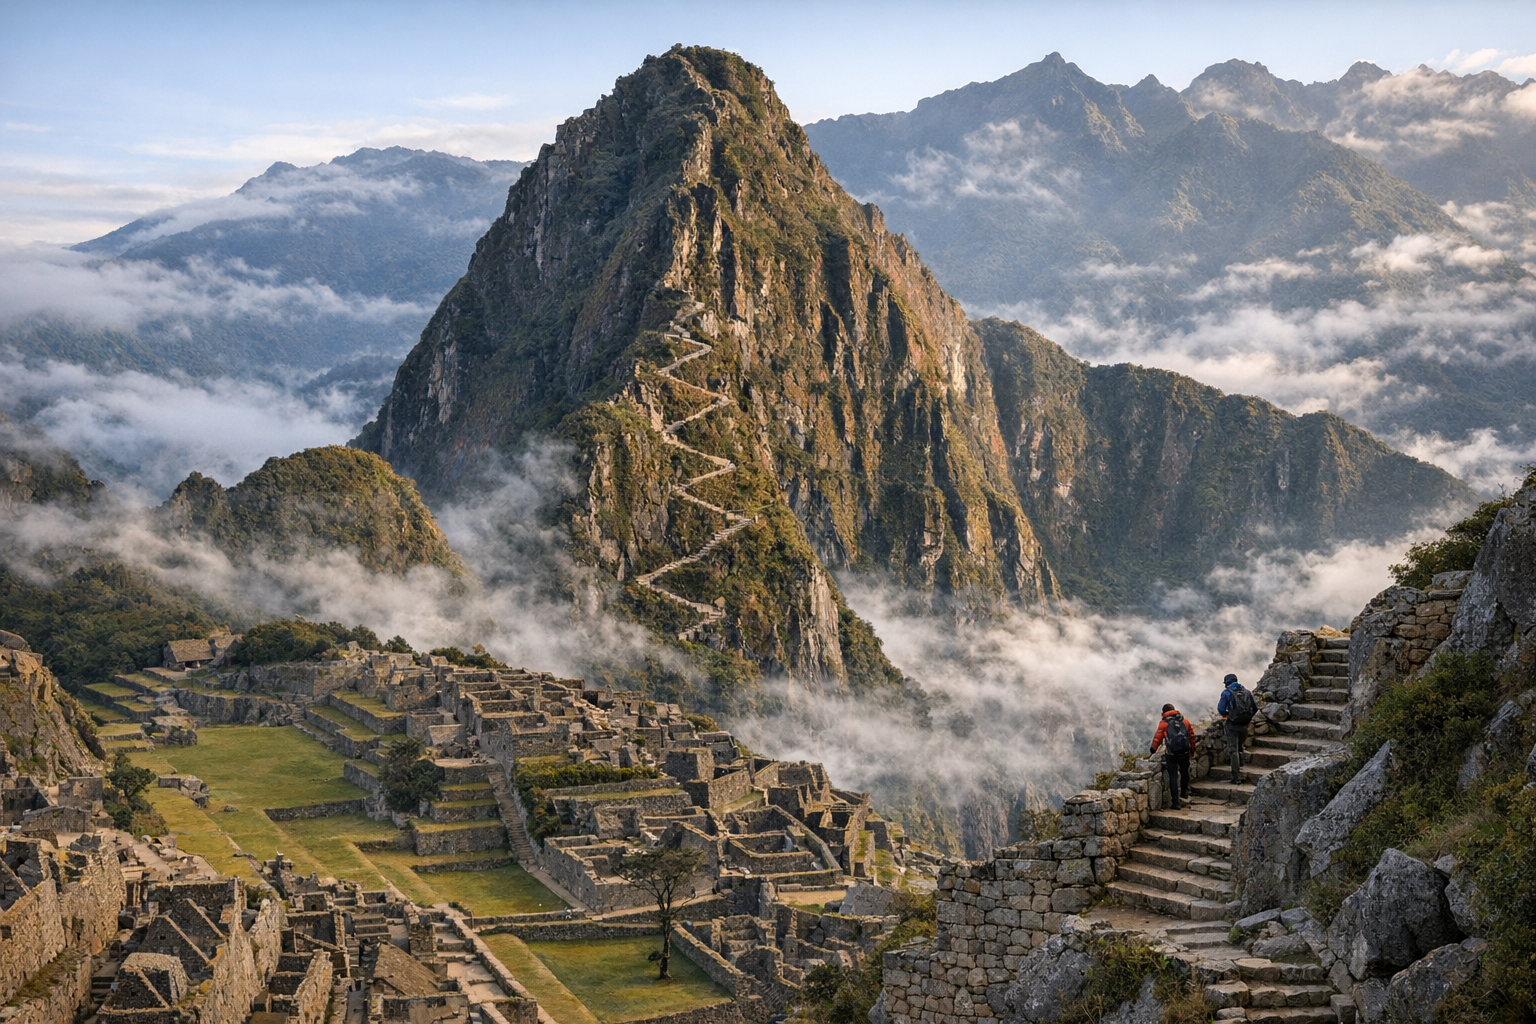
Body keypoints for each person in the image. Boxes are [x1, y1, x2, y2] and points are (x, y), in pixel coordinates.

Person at [1150, 703, 1196, 810]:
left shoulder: (1164, 723)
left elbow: (1158, 738)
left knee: (1173, 776)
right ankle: (1184, 794)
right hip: (1184, 752)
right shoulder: (1185, 721)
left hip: (1171, 754)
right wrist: (1192, 750)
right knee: (1184, 773)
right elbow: (1192, 736)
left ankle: (1175, 802)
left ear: (1163, 713)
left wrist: (1153, 750)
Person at [1217, 673, 1258, 785]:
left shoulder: (1227, 693)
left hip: (1232, 723)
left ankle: (1236, 777)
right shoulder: (1247, 692)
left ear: (1227, 683)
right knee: (1240, 745)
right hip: (1245, 723)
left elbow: (1220, 709)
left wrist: (1228, 715)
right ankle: (1241, 765)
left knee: (1233, 749)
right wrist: (1248, 717)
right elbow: (1255, 708)